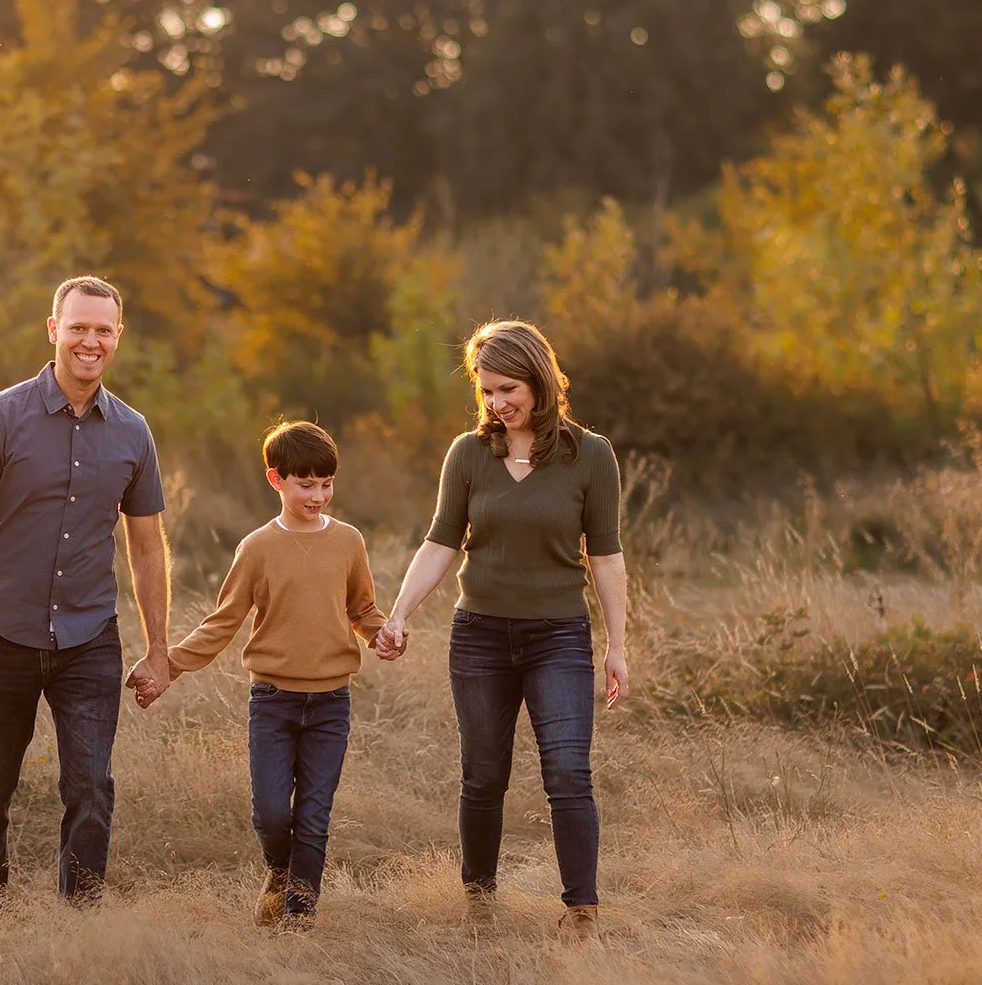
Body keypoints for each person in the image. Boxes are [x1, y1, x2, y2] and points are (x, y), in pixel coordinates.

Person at [374, 319, 628, 938]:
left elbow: (607, 555)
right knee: (484, 773)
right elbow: (440, 543)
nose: (497, 403)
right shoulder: (468, 454)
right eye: (486, 391)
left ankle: (581, 911)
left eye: (508, 389)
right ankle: (479, 902)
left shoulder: (590, 455)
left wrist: (617, 644)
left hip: (558, 637)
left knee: (568, 770)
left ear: (540, 382)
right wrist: (400, 613)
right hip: (480, 636)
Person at [0, 276, 174, 911]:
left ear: (117, 337)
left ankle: (80, 924)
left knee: (91, 791)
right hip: (0, 636)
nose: (89, 341)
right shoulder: (1, 416)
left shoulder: (133, 432)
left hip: (88, 639)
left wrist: (159, 650)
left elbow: (148, 546)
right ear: (53, 330)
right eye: (77, 327)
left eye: (103, 330)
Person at [137, 420, 393, 931]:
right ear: (276, 479)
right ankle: (279, 871)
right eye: (306, 485)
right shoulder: (256, 548)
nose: (318, 495)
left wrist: (381, 633)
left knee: (314, 816)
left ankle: (300, 916)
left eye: (326, 484)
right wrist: (169, 665)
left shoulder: (349, 541)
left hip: (331, 704)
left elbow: (362, 608)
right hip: (272, 702)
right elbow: (223, 621)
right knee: (273, 814)